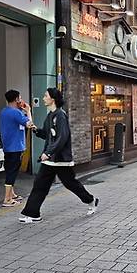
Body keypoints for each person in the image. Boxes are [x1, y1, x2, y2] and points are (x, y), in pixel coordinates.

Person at [19, 88, 99, 223]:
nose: (43, 98)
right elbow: (46, 134)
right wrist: (31, 119)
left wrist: (48, 153)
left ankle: (91, 200)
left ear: (53, 99)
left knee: (70, 183)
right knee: (40, 184)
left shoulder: (61, 115)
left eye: (45, 96)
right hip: (50, 160)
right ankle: (33, 213)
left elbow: (62, 138)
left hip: (60, 158)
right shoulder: (50, 115)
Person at [0, 90, 35, 207]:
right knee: (12, 172)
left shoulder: (4, 111)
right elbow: (30, 124)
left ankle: (12, 194)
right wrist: (28, 110)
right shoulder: (16, 113)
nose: (21, 100)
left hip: (8, 146)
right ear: (16, 100)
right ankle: (7, 199)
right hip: (16, 146)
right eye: (20, 98)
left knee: (9, 169)